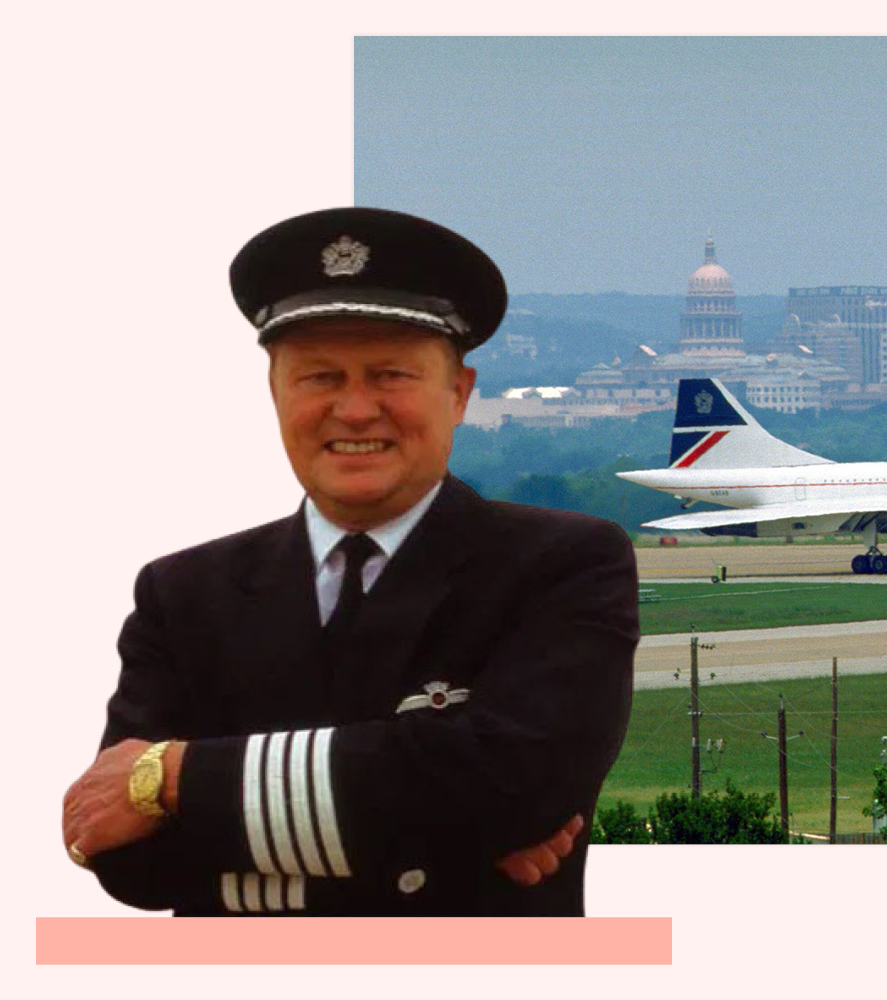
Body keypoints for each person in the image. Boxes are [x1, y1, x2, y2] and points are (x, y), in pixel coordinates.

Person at [60, 207, 638, 915]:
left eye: (390, 374)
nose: (356, 409)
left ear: (458, 394)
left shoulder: (564, 565)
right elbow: (127, 861)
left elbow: (519, 783)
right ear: (275, 393)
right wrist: (451, 841)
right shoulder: (181, 594)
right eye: (320, 377)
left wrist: (169, 777)